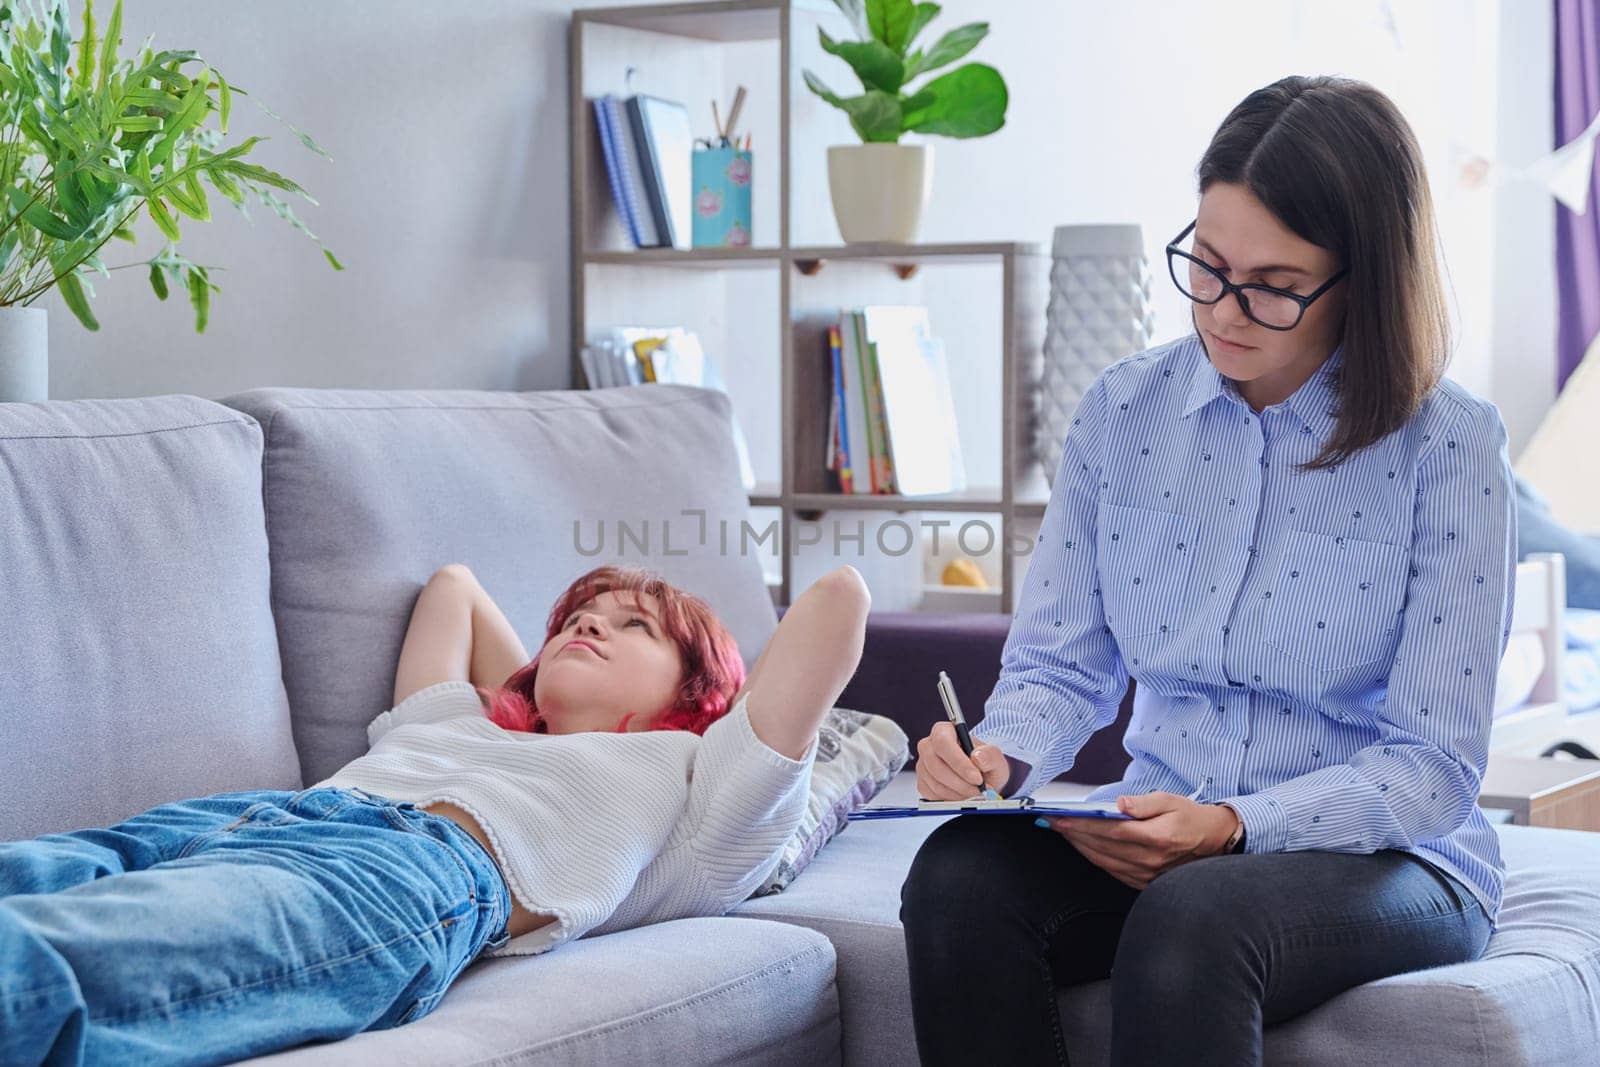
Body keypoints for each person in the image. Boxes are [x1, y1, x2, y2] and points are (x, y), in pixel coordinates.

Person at [901, 74, 1510, 1066]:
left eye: (1271, 283)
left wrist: (1233, 825)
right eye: (1206, 263)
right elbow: (1061, 665)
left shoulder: (1447, 446)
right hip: (1161, 826)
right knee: (959, 876)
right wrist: (995, 757)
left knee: (1194, 917)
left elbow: (1434, 767)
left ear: (1360, 279)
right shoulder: (1121, 412)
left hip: (1390, 860)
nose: (1223, 310)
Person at [0, 561, 870, 1065]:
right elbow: (453, 586)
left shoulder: (697, 789)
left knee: (49, 967)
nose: (590, 627)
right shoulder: (461, 721)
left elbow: (840, 598)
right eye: (578, 619)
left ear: (700, 691)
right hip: (258, 814)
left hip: (406, 874)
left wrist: (708, 698)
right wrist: (544, 677)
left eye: (633, 626)